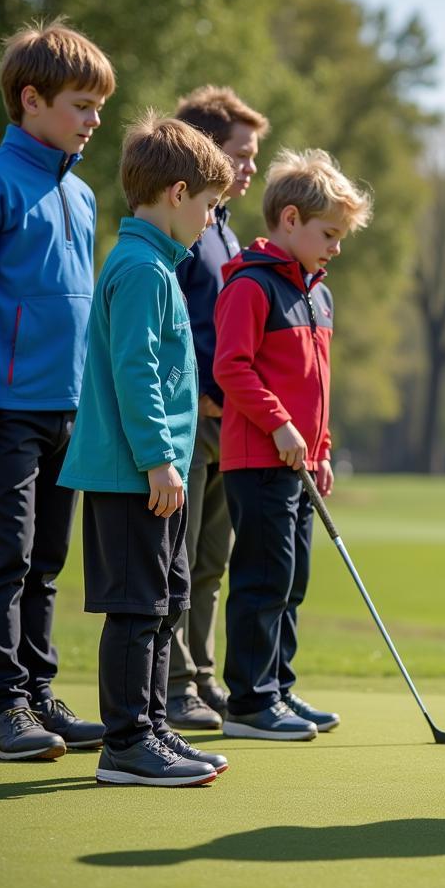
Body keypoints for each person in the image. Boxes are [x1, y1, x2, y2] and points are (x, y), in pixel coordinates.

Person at [58, 112, 234, 786]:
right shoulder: (139, 269)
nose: (213, 221)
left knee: (165, 602)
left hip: (154, 476)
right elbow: (136, 372)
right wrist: (160, 458)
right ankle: (126, 742)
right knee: (136, 608)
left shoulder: (157, 265)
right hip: (132, 474)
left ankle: (153, 726)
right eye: (212, 207)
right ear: (179, 194)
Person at [0, 20, 115, 761]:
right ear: (31, 100)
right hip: (7, 407)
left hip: (67, 409)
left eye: (99, 108)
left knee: (46, 563)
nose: (95, 121)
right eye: (81, 105)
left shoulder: (85, 193)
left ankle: (36, 694)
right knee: (4, 558)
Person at [214, 148, 372, 740]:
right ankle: (250, 703)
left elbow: (320, 386)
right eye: (328, 233)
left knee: (293, 575)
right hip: (258, 458)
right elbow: (231, 368)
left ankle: (278, 686)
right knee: (263, 575)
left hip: (301, 463)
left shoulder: (319, 294)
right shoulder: (250, 286)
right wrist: (280, 424)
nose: (336, 246)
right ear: (288, 219)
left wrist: (322, 446)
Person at [165, 86, 271, 731]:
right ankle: (173, 685)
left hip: (227, 422)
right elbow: (168, 326)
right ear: (206, 150)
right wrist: (197, 389)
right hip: (188, 418)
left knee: (210, 562)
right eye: (242, 154)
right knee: (176, 561)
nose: (251, 166)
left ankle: (200, 678)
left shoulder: (225, 230)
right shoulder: (181, 231)